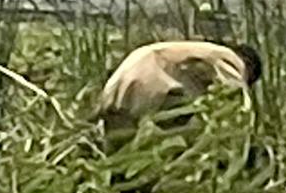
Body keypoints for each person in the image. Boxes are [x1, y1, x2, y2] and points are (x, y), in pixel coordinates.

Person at [96, 39, 262, 142]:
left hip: (121, 78)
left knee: (119, 154)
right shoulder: (231, 60)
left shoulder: (205, 51)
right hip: (149, 81)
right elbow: (237, 108)